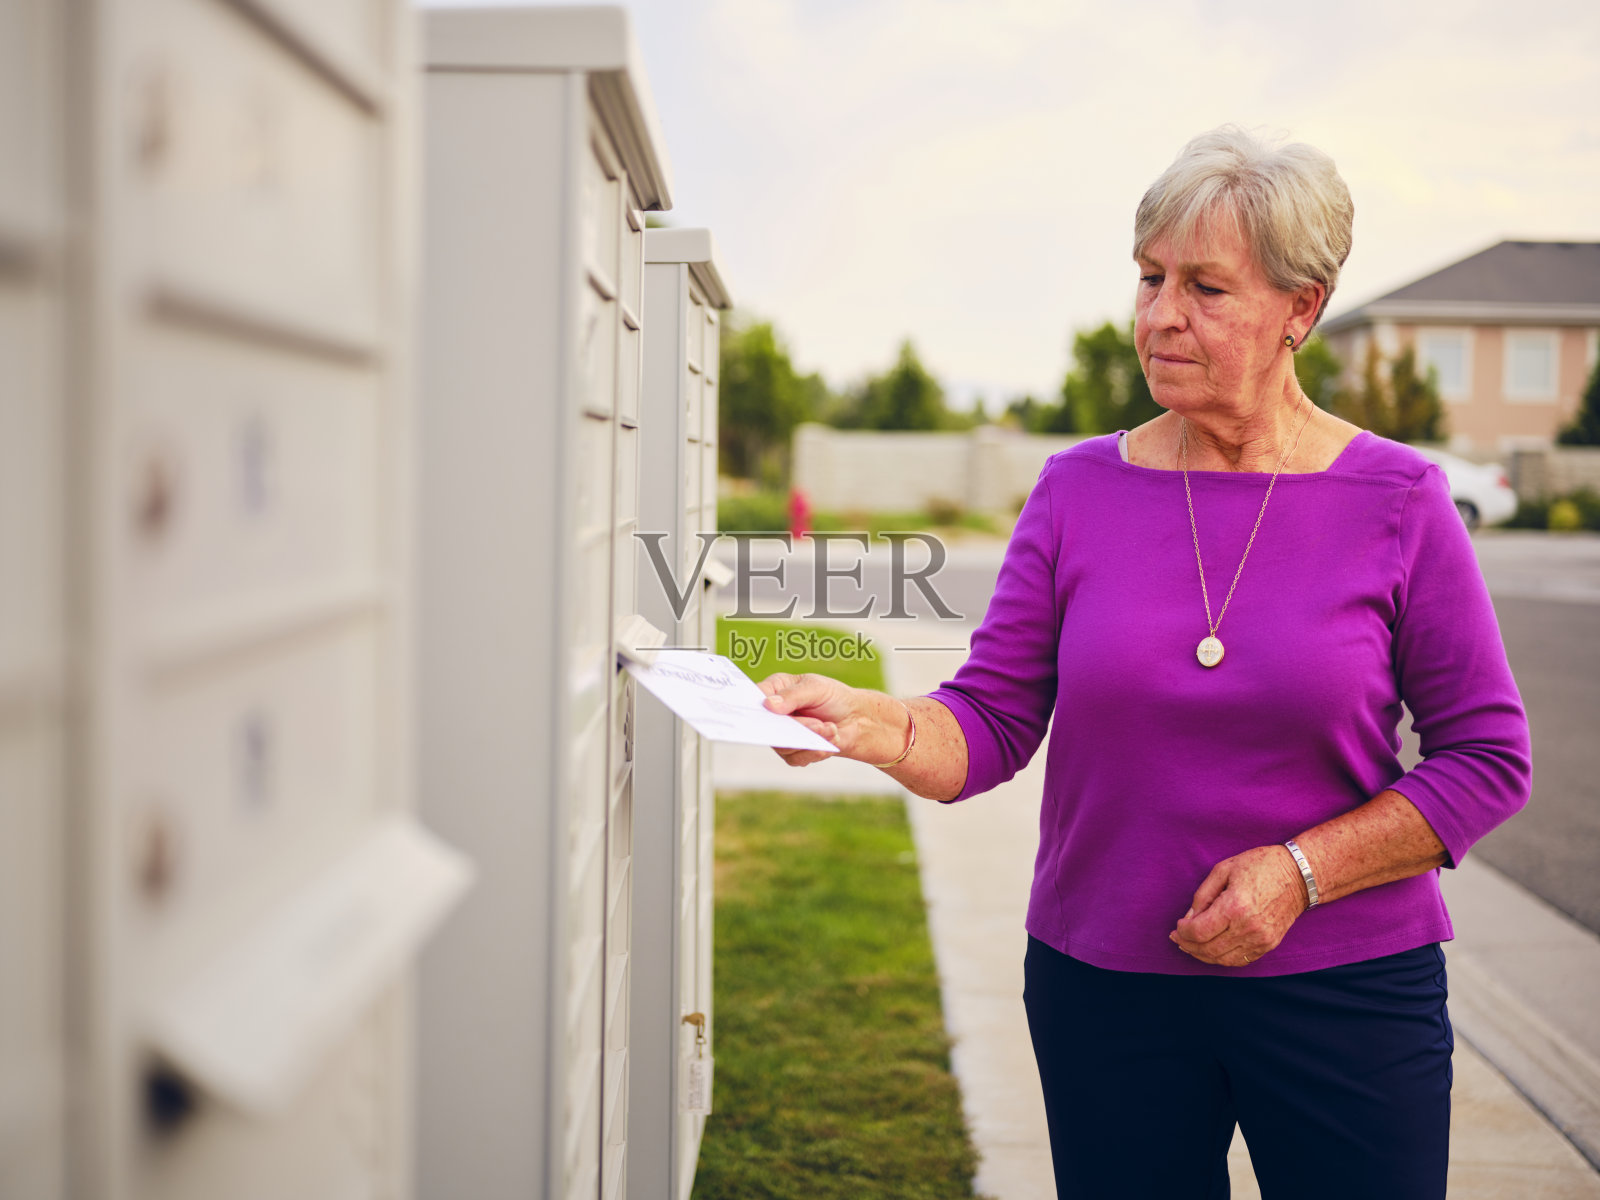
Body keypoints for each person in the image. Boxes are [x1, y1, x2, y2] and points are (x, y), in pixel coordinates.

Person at [757, 126, 1531, 1199]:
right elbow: (990, 720)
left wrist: (1299, 873)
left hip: (1347, 991)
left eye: (1205, 288)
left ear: (1300, 309)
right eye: (1149, 277)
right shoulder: (1076, 490)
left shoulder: (1397, 500)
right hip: (1105, 991)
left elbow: (1487, 759)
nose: (1161, 314)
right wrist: (870, 723)